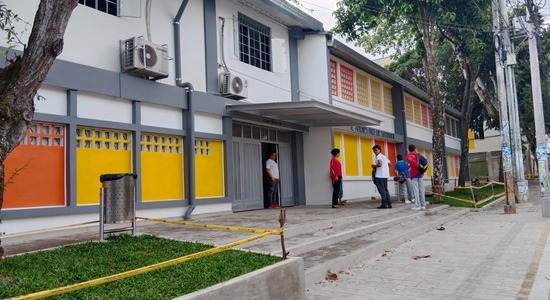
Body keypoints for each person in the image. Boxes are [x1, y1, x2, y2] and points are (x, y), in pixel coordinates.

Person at [406, 144, 427, 210]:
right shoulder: (418, 154)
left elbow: (412, 163)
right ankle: (423, 205)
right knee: (421, 190)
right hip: (420, 174)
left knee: (416, 190)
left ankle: (417, 205)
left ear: (409, 149)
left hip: (414, 174)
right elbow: (425, 161)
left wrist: (418, 166)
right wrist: (421, 167)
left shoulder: (409, 156)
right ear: (415, 148)